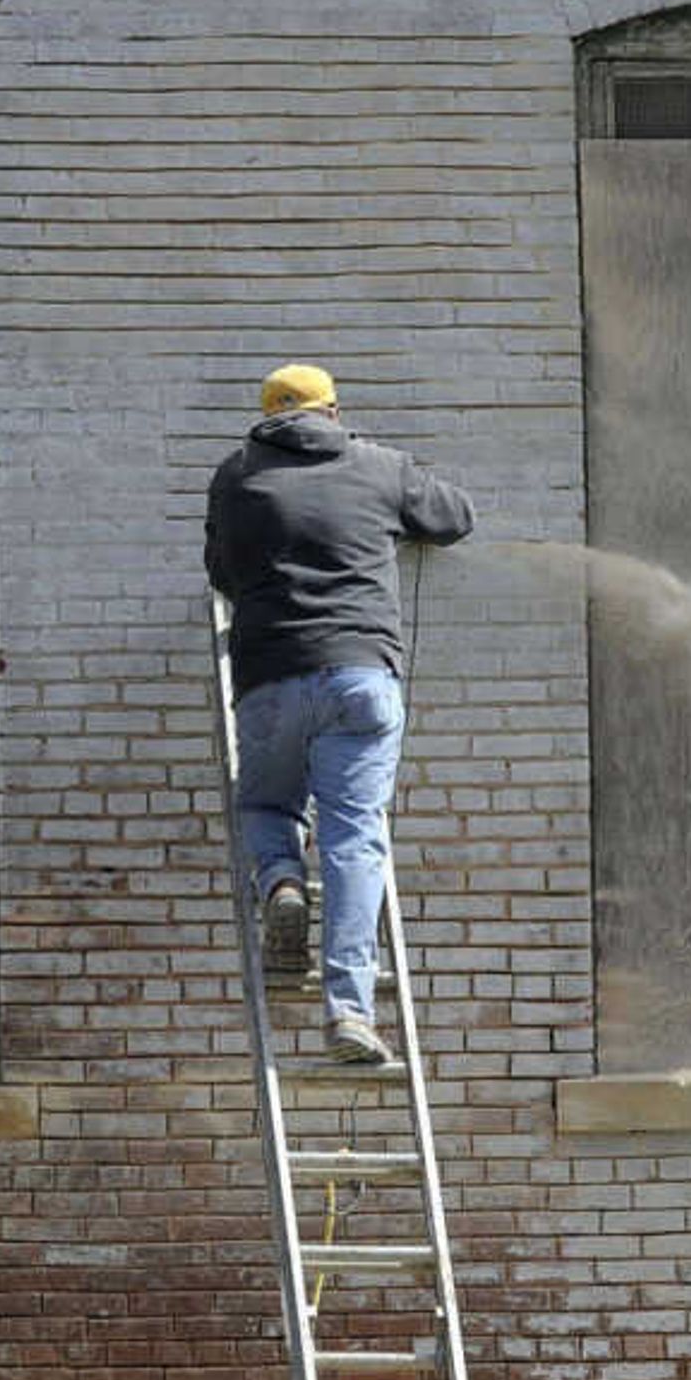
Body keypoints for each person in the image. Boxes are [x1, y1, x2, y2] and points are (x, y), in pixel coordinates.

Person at [203, 364, 476, 1066]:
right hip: (360, 678)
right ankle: (349, 1009)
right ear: (334, 411)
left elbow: (221, 573)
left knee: (266, 804)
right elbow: (455, 517)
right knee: (355, 839)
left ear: (265, 417)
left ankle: (282, 882)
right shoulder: (377, 464)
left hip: (268, 677)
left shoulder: (235, 478)